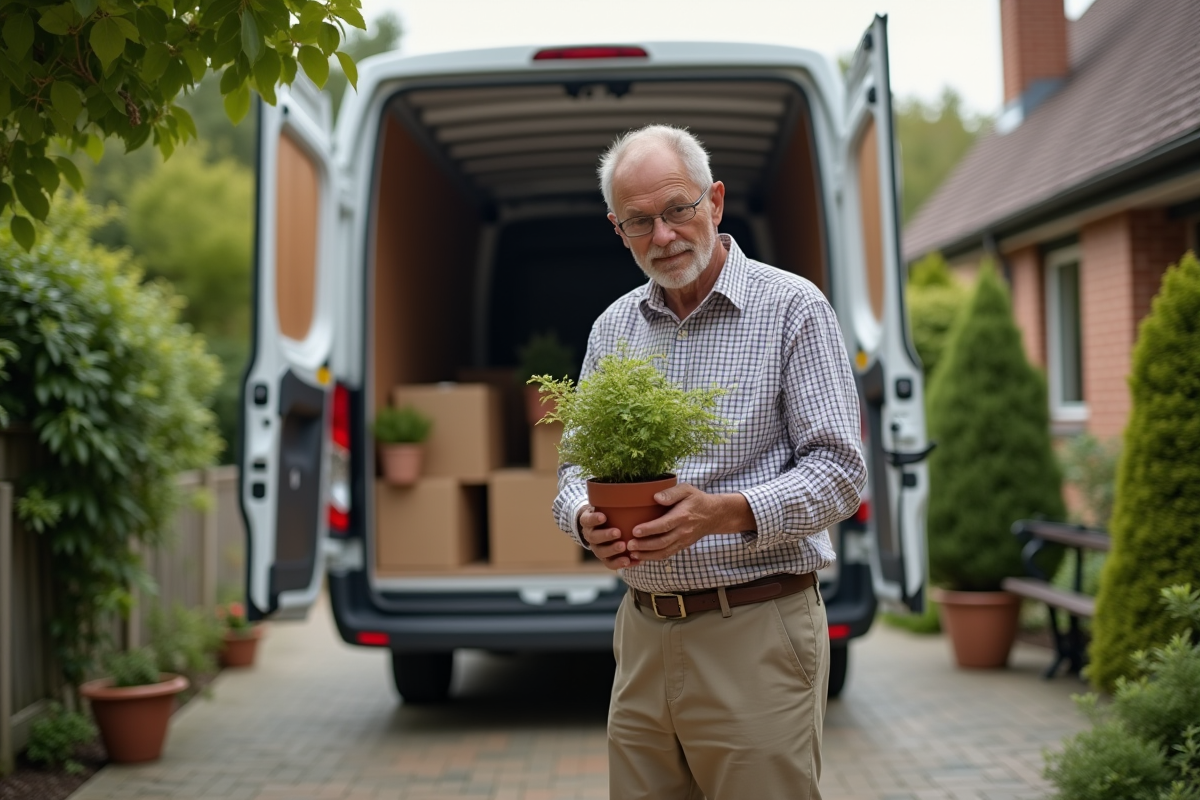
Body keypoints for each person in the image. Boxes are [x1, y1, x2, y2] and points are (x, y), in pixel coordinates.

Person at [552, 124, 867, 800]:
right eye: (640, 221)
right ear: (618, 230)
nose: (663, 236)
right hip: (642, 632)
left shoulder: (794, 308)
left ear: (715, 201)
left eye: (678, 209)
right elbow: (573, 471)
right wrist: (584, 518)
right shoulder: (613, 329)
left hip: (755, 628)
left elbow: (841, 472)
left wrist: (722, 513)